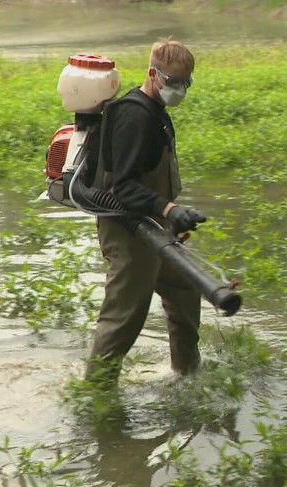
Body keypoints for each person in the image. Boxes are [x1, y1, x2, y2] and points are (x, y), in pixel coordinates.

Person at [86, 38, 207, 386]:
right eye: (173, 82)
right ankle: (95, 394)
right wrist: (169, 208)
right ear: (153, 74)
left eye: (186, 83)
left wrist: (169, 216)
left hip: (153, 225)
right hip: (128, 231)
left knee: (184, 288)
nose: (179, 89)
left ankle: (186, 375)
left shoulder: (157, 113)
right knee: (124, 316)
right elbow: (122, 187)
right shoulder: (134, 117)